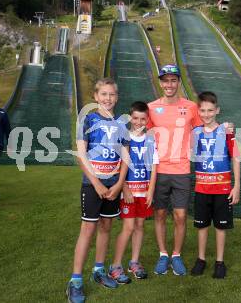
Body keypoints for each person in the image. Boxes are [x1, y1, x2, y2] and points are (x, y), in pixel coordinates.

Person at [66, 78, 130, 303]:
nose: (108, 98)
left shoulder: (122, 123)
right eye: (104, 94)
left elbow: (125, 157)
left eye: (112, 94)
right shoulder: (87, 119)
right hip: (93, 185)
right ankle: (75, 281)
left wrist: (119, 184)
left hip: (114, 185)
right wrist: (97, 183)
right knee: (88, 229)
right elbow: (81, 156)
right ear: (96, 96)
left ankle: (99, 271)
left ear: (117, 97)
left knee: (106, 227)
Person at [147, 64, 203, 276]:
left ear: (178, 82)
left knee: (180, 216)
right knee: (160, 214)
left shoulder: (191, 107)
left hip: (181, 169)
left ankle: (176, 255)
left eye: (173, 80)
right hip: (159, 170)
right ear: (160, 82)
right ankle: (163, 254)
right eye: (165, 80)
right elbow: (142, 132)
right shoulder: (151, 107)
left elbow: (202, 129)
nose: (169, 84)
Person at [190, 91, 240, 279]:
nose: (206, 114)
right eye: (203, 110)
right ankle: (201, 259)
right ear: (198, 111)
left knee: (220, 226)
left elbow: (235, 158)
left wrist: (237, 186)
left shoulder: (226, 131)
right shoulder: (195, 133)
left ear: (217, 110)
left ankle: (220, 262)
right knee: (202, 226)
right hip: (202, 188)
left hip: (222, 188)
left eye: (210, 110)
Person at [110, 101, 158, 282]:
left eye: (142, 119)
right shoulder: (124, 138)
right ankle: (115, 265)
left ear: (147, 119)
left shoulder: (151, 139)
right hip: (128, 192)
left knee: (139, 226)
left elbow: (154, 166)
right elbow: (118, 166)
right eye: (135, 118)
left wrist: (151, 190)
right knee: (128, 227)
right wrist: (125, 188)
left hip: (144, 192)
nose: (139, 122)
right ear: (130, 118)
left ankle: (134, 262)